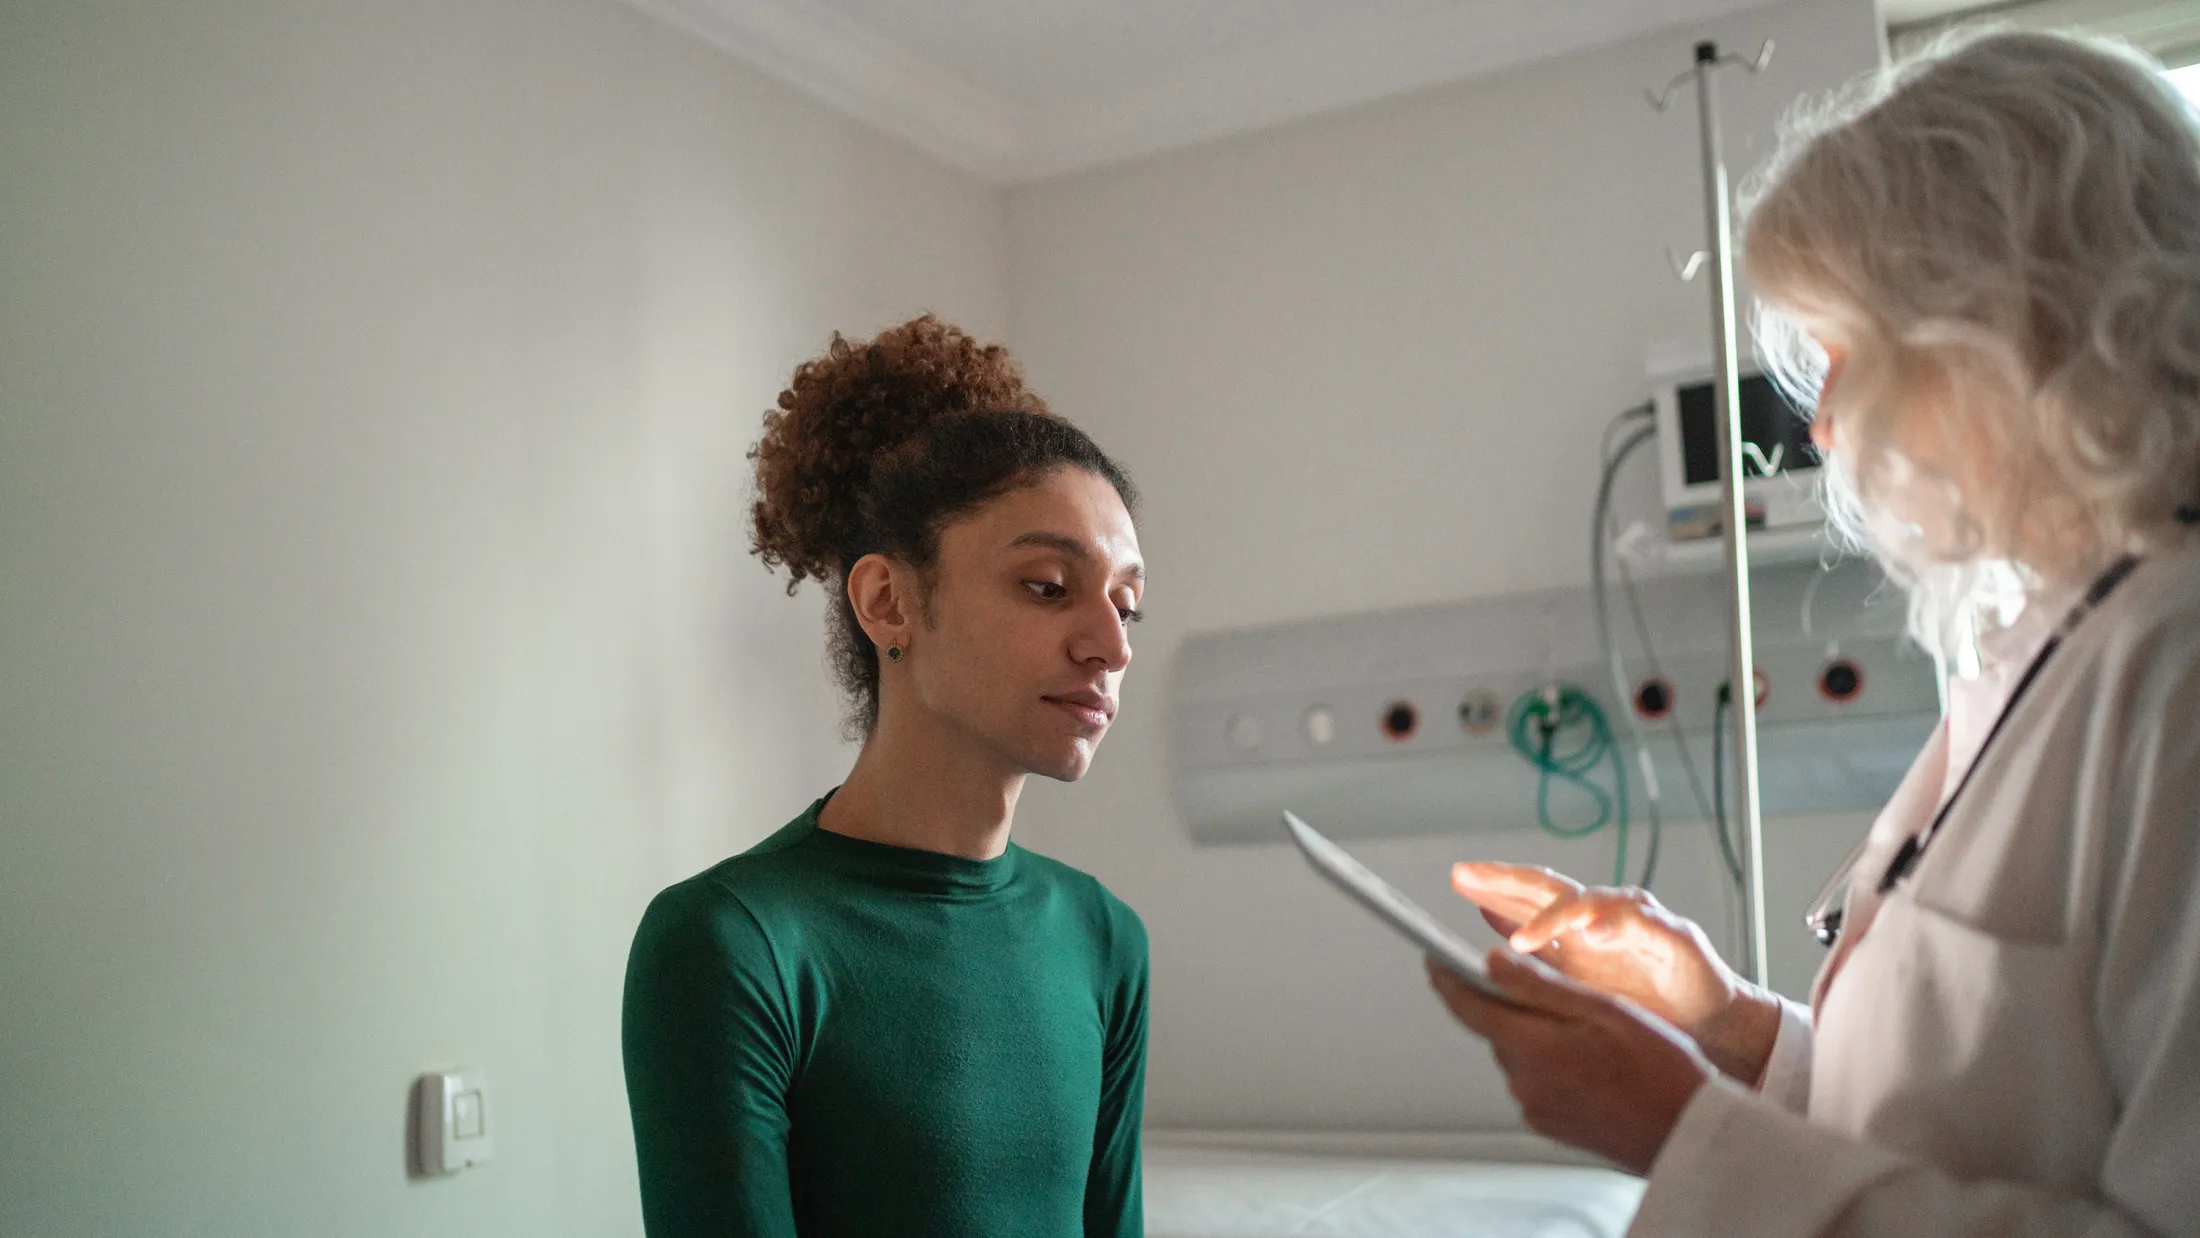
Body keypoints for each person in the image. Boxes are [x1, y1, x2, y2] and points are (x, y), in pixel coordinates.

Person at [1425, 30, 2200, 1236]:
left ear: (2012, 324)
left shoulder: (2177, 665)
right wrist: (1729, 1025)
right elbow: (1953, 1113)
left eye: (1847, 353)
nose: (1828, 425)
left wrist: (1686, 1133)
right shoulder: (2054, 641)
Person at [621, 316, 1150, 1237]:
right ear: (888, 600)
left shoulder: (1105, 941)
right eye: (1046, 586)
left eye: (1128, 602)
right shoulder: (729, 946)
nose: (1111, 645)